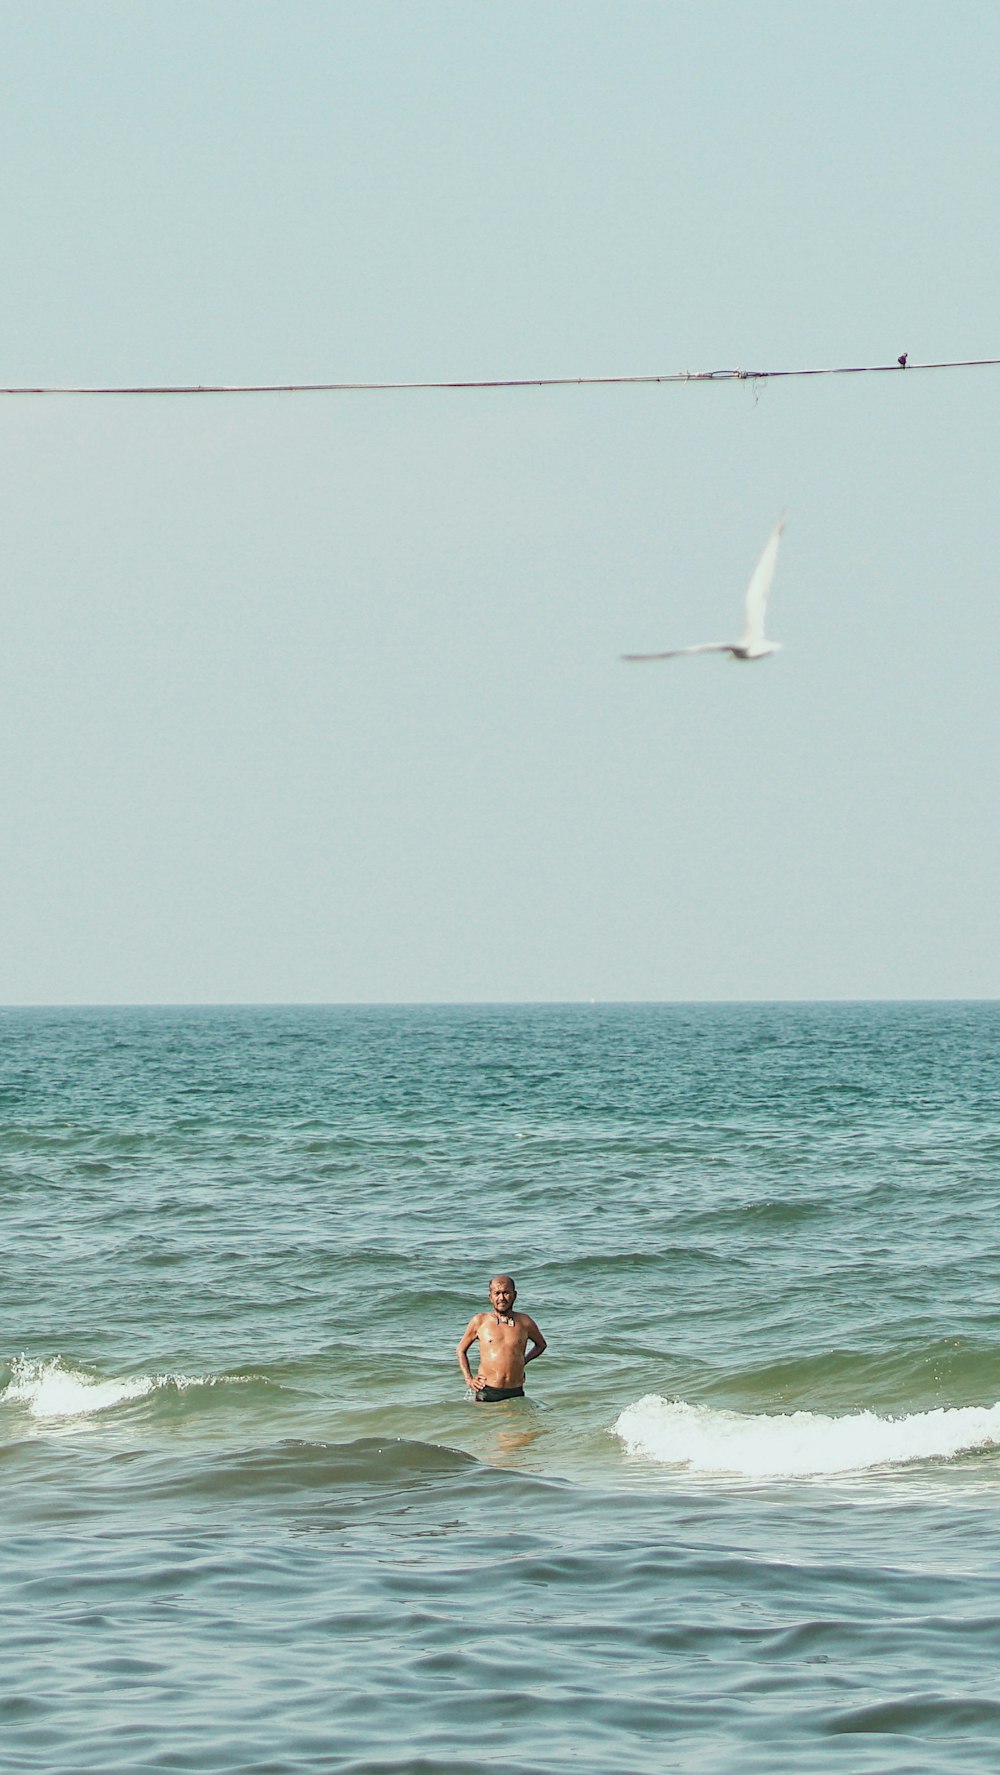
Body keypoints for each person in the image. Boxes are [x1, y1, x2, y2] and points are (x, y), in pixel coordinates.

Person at [456, 1275, 547, 1402]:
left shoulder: (524, 1322)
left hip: (515, 1390)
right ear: (490, 1297)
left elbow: (541, 1345)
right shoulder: (480, 1321)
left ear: (514, 1295)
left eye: (506, 1293)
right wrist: (469, 1379)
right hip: (487, 1390)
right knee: (488, 1422)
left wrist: (523, 1362)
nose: (501, 1298)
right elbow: (461, 1350)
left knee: (522, 1422)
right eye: (497, 1293)